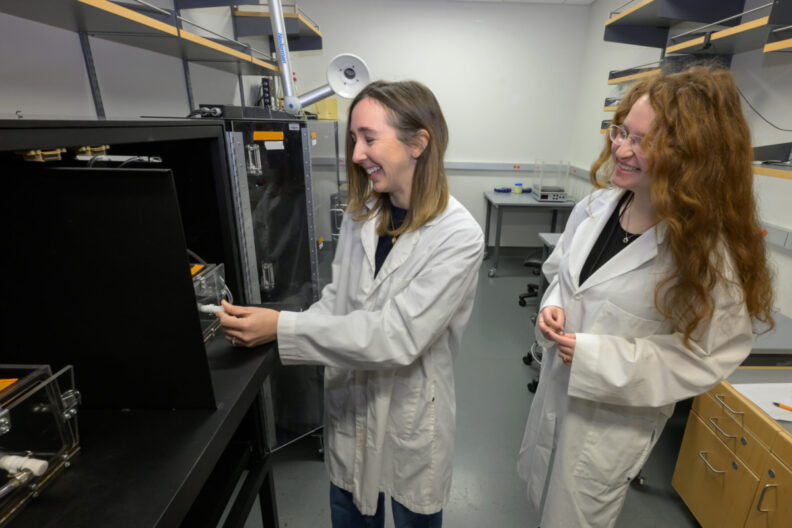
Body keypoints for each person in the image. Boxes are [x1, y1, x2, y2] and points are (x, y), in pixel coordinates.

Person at [517, 65, 775, 528]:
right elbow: (561, 272)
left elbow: (710, 354)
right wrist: (553, 303)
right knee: (544, 501)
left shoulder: (707, 252)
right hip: (557, 397)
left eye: (642, 141)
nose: (620, 148)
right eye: (622, 132)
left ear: (692, 156)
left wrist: (599, 356)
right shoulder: (596, 207)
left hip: (609, 428)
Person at [218, 80, 484, 527]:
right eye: (354, 139)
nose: (357, 154)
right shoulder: (364, 214)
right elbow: (336, 301)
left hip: (409, 410)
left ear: (418, 143)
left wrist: (283, 328)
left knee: (412, 512)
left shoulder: (458, 235)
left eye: (369, 138)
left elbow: (396, 337)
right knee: (350, 514)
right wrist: (273, 329)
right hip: (349, 404)